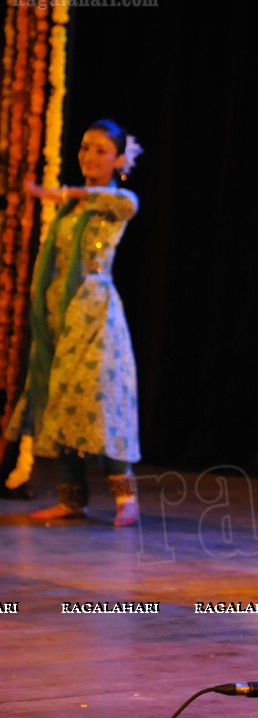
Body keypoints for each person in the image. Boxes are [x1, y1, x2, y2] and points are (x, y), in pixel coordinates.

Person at [3, 120, 142, 526]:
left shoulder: (117, 200)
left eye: (101, 150)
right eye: (85, 147)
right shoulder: (70, 209)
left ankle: (126, 500)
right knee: (58, 402)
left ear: (118, 160)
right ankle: (72, 499)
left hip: (96, 317)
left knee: (103, 404)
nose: (89, 156)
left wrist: (60, 192)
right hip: (59, 317)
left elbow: (125, 205)